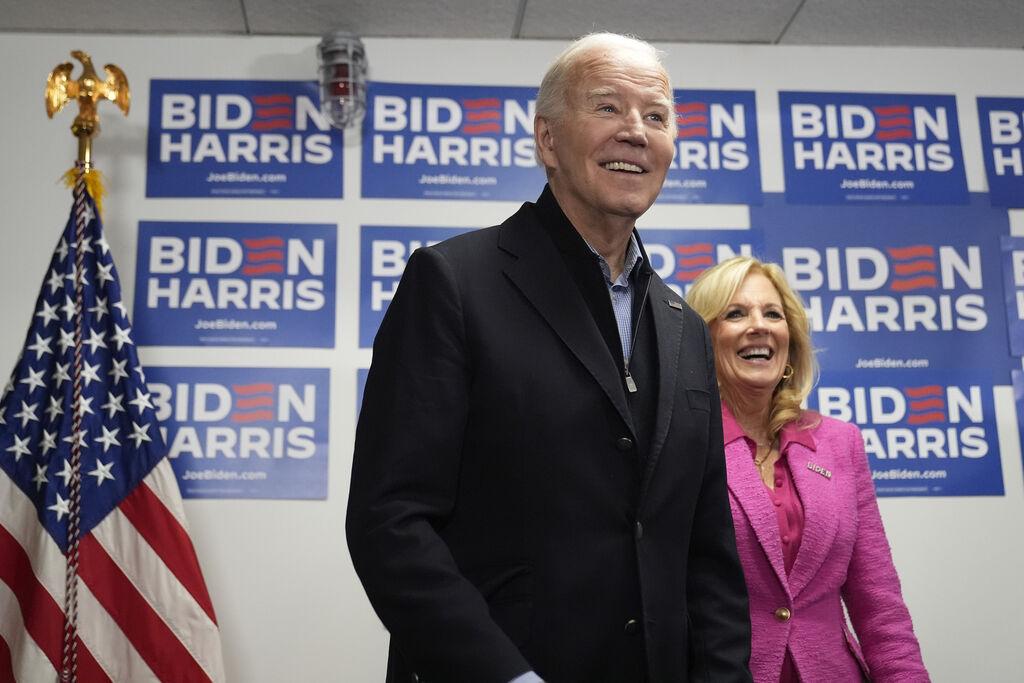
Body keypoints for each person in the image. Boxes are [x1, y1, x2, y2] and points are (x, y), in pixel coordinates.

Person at [346, 32, 752, 683]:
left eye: (657, 116)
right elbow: (389, 523)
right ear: (547, 140)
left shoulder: (686, 329)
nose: (636, 132)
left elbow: (707, 557)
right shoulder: (452, 281)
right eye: (608, 108)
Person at [685, 256, 929, 682]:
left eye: (772, 313)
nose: (758, 325)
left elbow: (879, 605)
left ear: (789, 338)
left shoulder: (840, 442)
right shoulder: (679, 445)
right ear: (702, 337)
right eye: (736, 313)